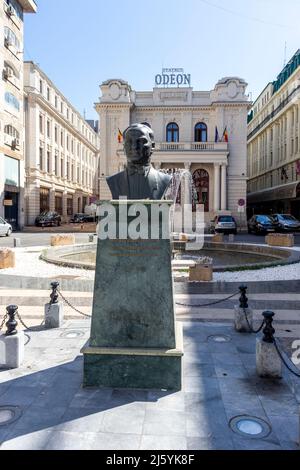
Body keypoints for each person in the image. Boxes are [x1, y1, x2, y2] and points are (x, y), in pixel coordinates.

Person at [107, 123, 172, 200]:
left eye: (140, 141)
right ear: (124, 148)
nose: (134, 146)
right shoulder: (113, 181)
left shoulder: (164, 180)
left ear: (152, 146)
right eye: (129, 142)